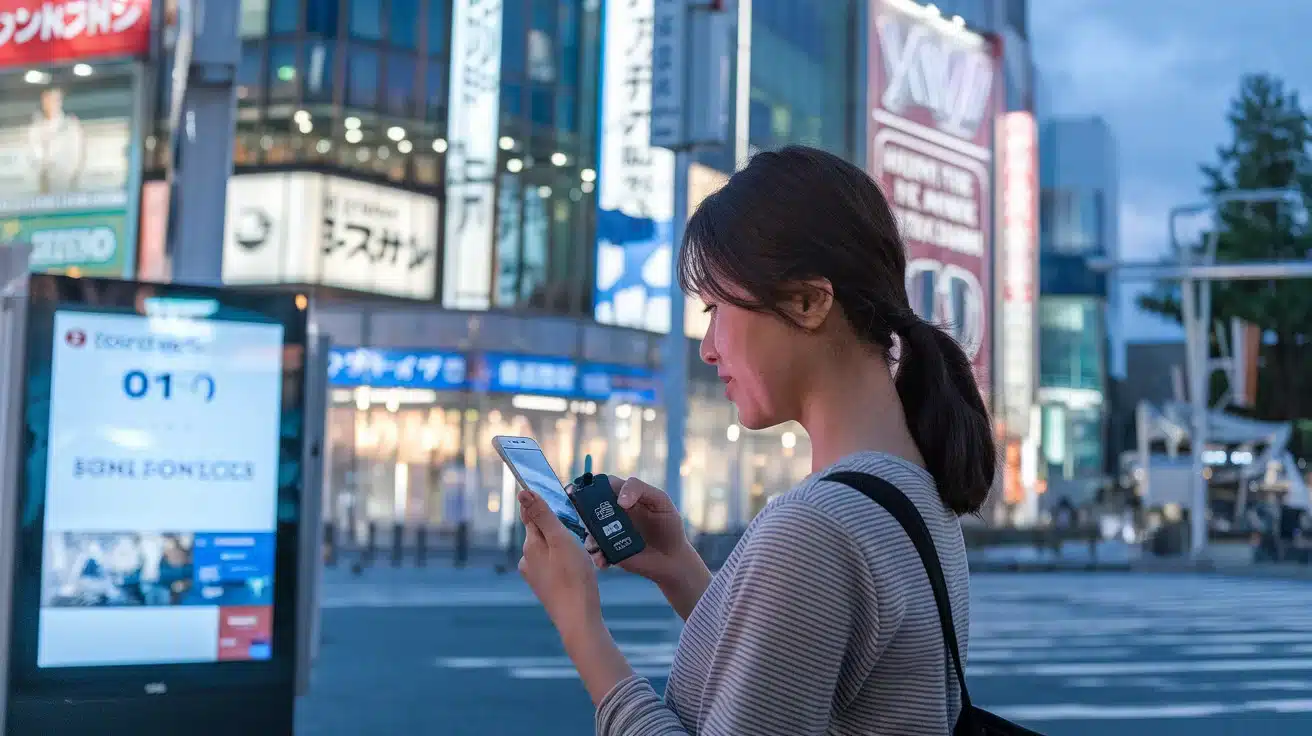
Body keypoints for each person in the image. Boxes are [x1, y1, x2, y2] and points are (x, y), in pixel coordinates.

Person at [515, 145, 995, 734]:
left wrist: (580, 627)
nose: (708, 346)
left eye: (717, 307)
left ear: (809, 302)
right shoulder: (914, 491)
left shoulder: (818, 527)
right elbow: (799, 683)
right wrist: (680, 570)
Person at [28, 87, 85, 195]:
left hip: (65, 182)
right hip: (43, 184)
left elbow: (77, 156)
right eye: (47, 99)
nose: (50, 103)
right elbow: (33, 155)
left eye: (54, 100)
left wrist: (68, 175)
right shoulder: (36, 127)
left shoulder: (71, 125)